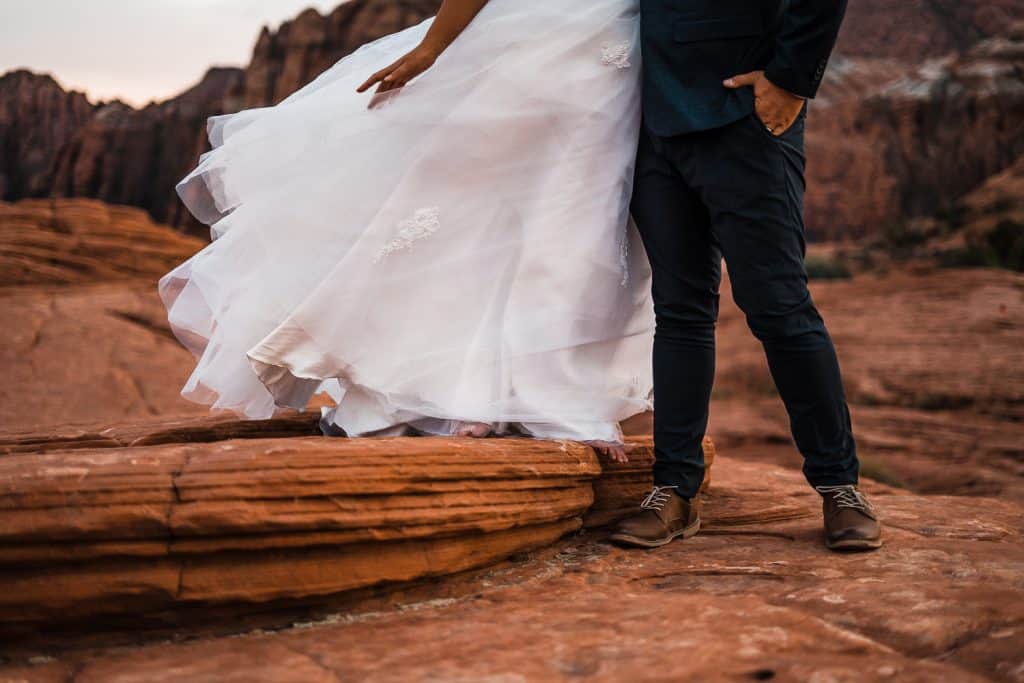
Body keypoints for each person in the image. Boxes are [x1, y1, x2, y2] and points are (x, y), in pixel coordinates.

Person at [161, 0, 652, 462]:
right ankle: (448, 393)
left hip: (612, 59)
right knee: (462, 214)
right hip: (529, 41)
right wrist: (434, 47)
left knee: (573, 227)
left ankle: (544, 396)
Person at [610, 0, 882, 551]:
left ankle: (839, 486)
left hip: (742, 111)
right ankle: (674, 490)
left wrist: (790, 76)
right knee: (680, 310)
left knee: (778, 307)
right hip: (649, 120)